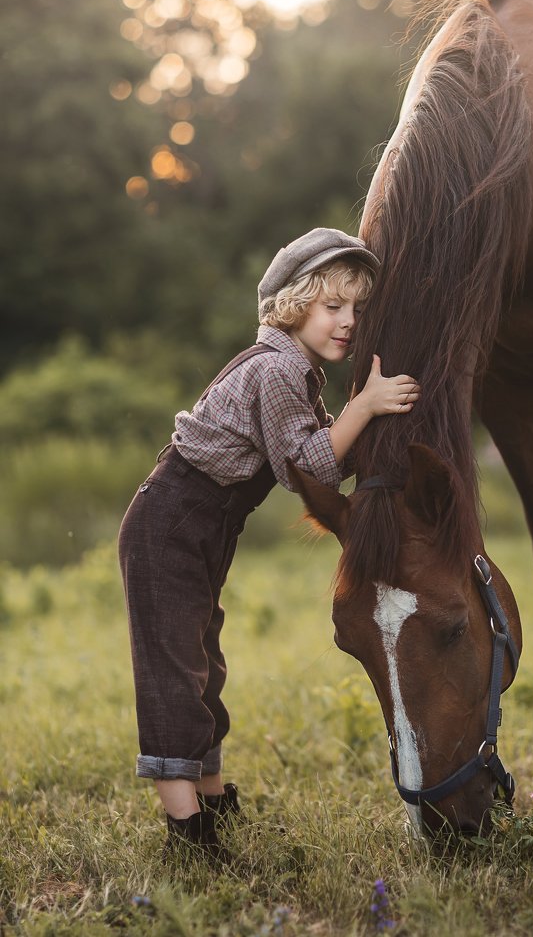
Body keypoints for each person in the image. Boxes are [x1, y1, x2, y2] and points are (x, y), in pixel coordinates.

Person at [118, 227, 420, 861]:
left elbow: (306, 453)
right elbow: (305, 469)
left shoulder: (294, 367)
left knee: (204, 658)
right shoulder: (281, 369)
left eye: (355, 309)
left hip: (200, 525)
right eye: (332, 306)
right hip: (172, 521)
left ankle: (213, 798)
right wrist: (363, 407)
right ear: (293, 304)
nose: (347, 322)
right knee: (174, 663)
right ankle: (188, 833)